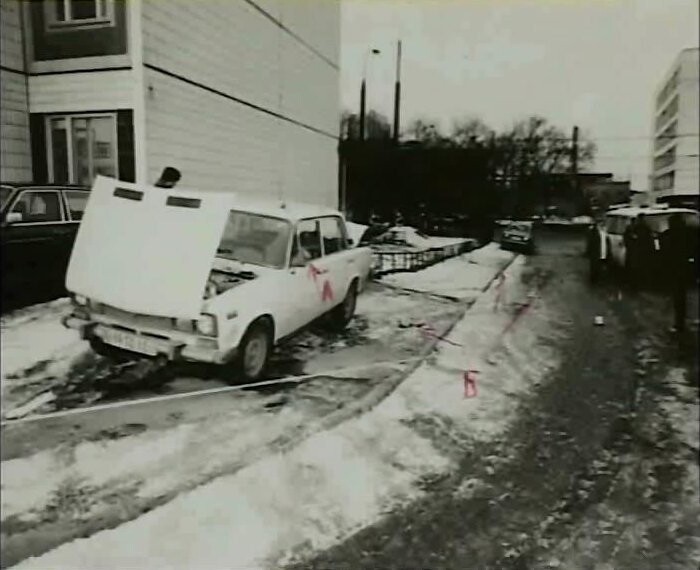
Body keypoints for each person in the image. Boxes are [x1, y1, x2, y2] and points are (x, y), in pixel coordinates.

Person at [660, 213, 691, 334]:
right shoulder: (689, 233)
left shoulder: (669, 235)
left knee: (678, 297)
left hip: (675, 269)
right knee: (682, 296)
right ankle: (681, 322)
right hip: (687, 268)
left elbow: (664, 251)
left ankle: (679, 324)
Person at [634, 214, 655, 288]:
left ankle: (643, 283)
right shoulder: (639, 228)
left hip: (643, 251)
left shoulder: (644, 228)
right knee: (642, 267)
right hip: (640, 251)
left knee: (643, 267)